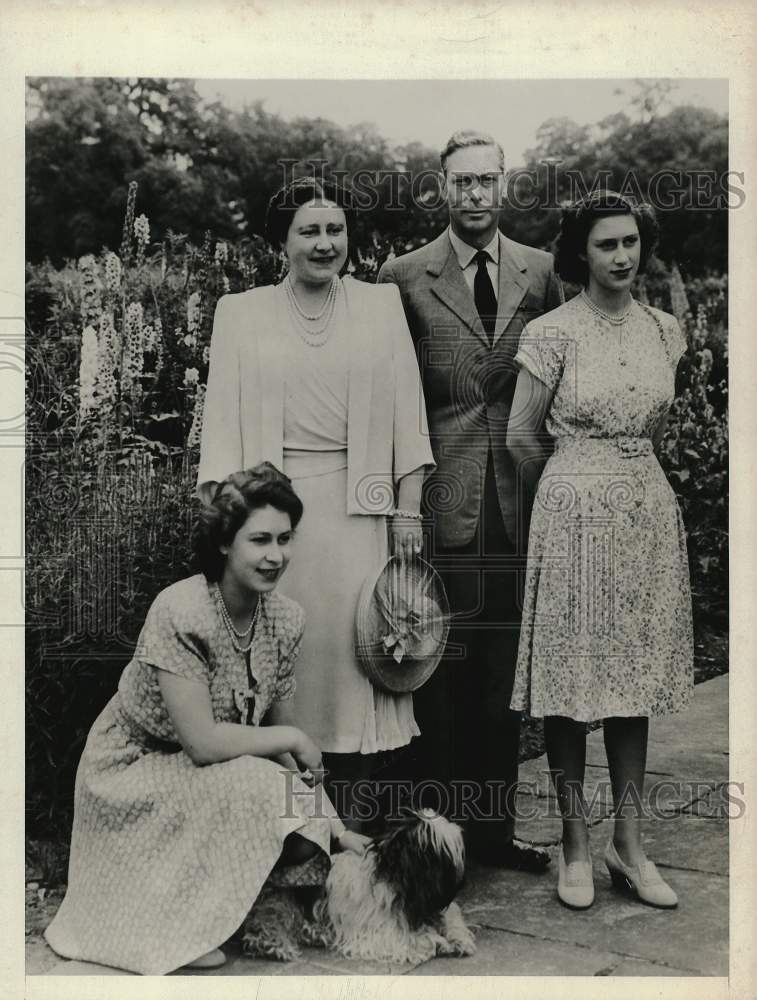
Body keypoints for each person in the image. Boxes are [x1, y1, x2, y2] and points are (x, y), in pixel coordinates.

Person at [44, 464, 367, 975]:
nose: (275, 555)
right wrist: (294, 737)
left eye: (285, 539)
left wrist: (334, 825)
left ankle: (218, 905)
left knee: (305, 827)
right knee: (257, 785)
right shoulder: (182, 610)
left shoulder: (285, 619)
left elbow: (280, 745)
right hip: (133, 771)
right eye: (259, 539)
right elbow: (202, 743)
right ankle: (176, 924)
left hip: (210, 774)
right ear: (223, 543)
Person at [197, 179, 435, 830]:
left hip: (359, 515)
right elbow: (219, 429)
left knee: (356, 672)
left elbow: (408, 416)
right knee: (283, 669)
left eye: (334, 230)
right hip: (271, 521)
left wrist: (407, 509)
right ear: (282, 241)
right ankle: (284, 836)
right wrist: (232, 525)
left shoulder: (379, 305)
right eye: (308, 230)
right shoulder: (240, 313)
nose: (324, 243)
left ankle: (349, 839)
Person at [378, 130, 563, 870]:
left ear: (503, 185)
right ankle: (434, 844)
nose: (475, 195)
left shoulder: (542, 272)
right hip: (438, 498)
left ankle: (491, 834)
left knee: (500, 681)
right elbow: (393, 396)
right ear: (442, 188)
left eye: (487, 181)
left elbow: (554, 385)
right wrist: (401, 501)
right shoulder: (402, 275)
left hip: (518, 500)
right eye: (461, 182)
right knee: (434, 676)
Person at [507, 191, 694, 910]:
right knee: (568, 684)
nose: (621, 256)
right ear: (579, 254)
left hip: (643, 512)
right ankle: (575, 846)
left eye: (630, 242)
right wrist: (568, 491)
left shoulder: (664, 330)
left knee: (631, 679)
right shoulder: (554, 333)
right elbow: (521, 434)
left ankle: (630, 844)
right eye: (606, 244)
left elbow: (654, 428)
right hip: (572, 516)